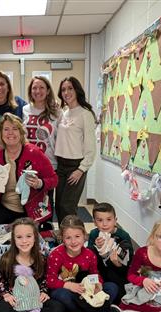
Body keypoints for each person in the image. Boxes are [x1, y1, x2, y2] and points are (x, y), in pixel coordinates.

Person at [0, 113, 57, 226]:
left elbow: (54, 179)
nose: (10, 133)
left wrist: (39, 183)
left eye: (15, 128)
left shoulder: (35, 153)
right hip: (4, 207)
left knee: (26, 235)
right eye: (6, 129)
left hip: (32, 211)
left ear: (21, 132)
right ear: (1, 134)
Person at [46, 215, 119, 312]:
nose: (73, 241)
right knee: (61, 295)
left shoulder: (89, 254)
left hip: (86, 291)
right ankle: (103, 311)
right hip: (68, 292)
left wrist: (98, 284)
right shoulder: (56, 255)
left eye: (77, 236)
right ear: (62, 238)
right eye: (68, 238)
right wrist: (68, 285)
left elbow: (94, 274)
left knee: (112, 287)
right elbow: (50, 280)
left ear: (84, 235)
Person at [0, 217, 66, 312]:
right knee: (1, 309)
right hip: (16, 301)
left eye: (28, 236)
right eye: (19, 237)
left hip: (34, 301)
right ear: (13, 239)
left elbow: (43, 281)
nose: (24, 241)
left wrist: (43, 292)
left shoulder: (41, 259)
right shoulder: (6, 259)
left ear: (35, 237)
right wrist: (6, 294)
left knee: (58, 307)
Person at [54, 77, 96, 225]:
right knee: (58, 205)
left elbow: (91, 148)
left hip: (75, 166)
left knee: (68, 207)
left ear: (77, 90)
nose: (66, 92)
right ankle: (63, 236)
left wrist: (81, 169)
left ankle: (73, 240)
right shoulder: (64, 112)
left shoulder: (86, 114)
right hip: (61, 165)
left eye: (70, 88)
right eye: (63, 89)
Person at [23, 76, 61, 222]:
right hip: (28, 164)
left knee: (45, 203)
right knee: (27, 201)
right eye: (34, 88)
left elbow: (60, 138)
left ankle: (46, 235)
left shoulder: (56, 111)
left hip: (49, 163)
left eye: (41, 87)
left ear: (48, 90)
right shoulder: (25, 109)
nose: (37, 91)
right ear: (30, 91)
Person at [87, 202, 134, 303]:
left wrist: (118, 264)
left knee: (120, 296)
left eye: (109, 219)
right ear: (94, 222)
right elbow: (89, 260)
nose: (105, 224)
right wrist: (97, 248)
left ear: (115, 220)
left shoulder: (123, 236)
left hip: (117, 273)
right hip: (99, 272)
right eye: (100, 220)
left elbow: (130, 265)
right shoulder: (94, 234)